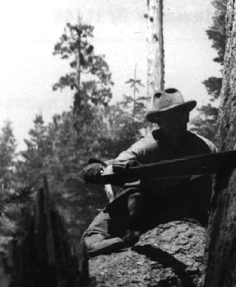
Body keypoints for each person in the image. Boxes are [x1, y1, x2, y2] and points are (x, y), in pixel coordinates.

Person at [80, 87, 218, 256]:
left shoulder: (203, 146)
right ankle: (95, 236)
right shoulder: (147, 147)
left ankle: (200, 230)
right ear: (159, 121)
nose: (175, 122)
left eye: (179, 115)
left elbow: (221, 165)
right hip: (143, 213)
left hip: (178, 214)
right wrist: (99, 169)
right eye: (169, 117)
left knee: (203, 181)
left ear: (187, 116)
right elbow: (117, 164)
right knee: (133, 192)